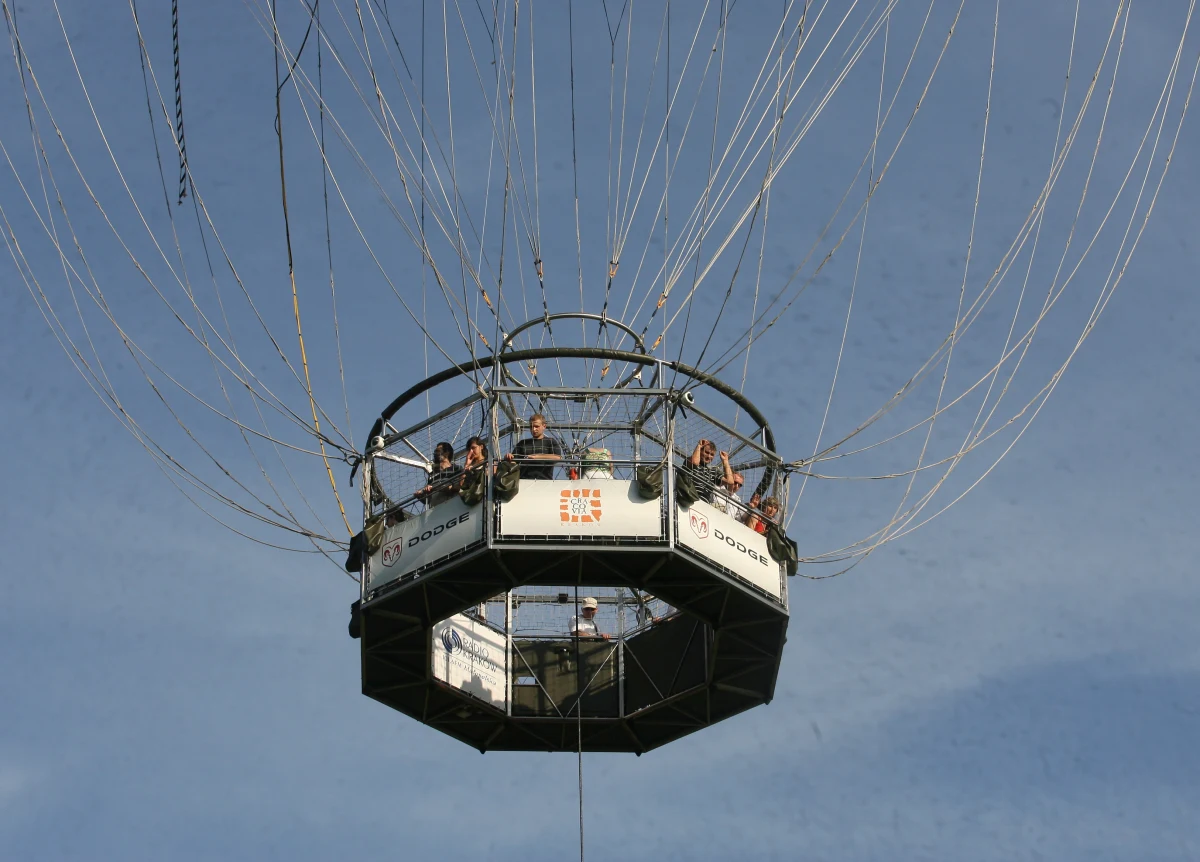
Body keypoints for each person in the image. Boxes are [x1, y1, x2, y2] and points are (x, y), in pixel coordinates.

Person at [506, 413, 563, 479]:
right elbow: (513, 461)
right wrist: (508, 457)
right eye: (531, 427)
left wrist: (537, 457)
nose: (533, 429)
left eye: (536, 426)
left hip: (544, 480)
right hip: (524, 480)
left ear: (544, 426)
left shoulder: (550, 442)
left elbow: (557, 457)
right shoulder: (522, 443)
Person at [418, 441, 461, 507]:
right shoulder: (432, 475)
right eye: (435, 451)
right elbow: (428, 500)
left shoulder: (456, 469)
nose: (435, 453)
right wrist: (420, 495)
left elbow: (459, 487)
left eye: (438, 450)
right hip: (435, 510)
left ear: (447, 453)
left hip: (452, 506)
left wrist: (437, 488)